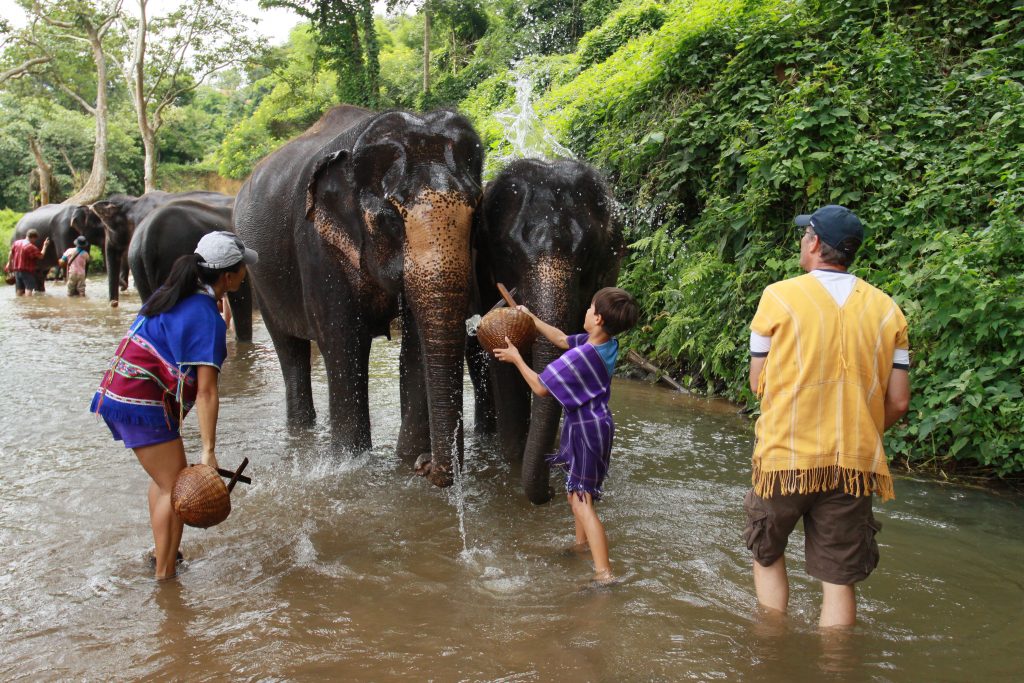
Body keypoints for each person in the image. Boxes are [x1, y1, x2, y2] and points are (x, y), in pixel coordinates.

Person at [744, 204, 911, 628]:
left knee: (767, 553)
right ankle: (835, 669)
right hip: (854, 462)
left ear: (815, 243)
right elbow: (898, 403)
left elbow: (758, 382)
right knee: (838, 579)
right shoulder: (889, 310)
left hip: (786, 457)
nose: (802, 241)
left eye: (805, 236)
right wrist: (862, 431)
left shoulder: (778, 296)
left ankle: (773, 653)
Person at [90, 231, 258, 581]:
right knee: (174, 487)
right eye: (243, 268)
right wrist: (209, 451)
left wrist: (217, 325)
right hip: (139, 402)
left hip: (120, 393)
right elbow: (207, 393)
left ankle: (161, 553)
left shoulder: (179, 294)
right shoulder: (205, 316)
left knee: (164, 481)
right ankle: (165, 579)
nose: (247, 273)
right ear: (228, 276)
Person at [494, 287, 639, 583]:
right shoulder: (605, 344)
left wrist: (517, 358)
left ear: (597, 318)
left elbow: (540, 387)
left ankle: (604, 574)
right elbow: (560, 338)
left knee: (581, 501)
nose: (585, 312)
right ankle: (581, 546)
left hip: (587, 428)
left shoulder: (584, 356)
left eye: (589, 308)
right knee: (577, 494)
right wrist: (530, 317)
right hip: (592, 424)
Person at [5, 229, 51, 296]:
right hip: (27, 271)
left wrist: (9, 263)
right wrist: (45, 246)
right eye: (35, 239)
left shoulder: (17, 243)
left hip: (17, 271)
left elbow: (11, 253)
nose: (35, 241)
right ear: (33, 238)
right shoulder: (31, 247)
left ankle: (20, 303)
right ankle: (28, 303)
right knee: (29, 288)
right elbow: (41, 256)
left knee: (19, 289)